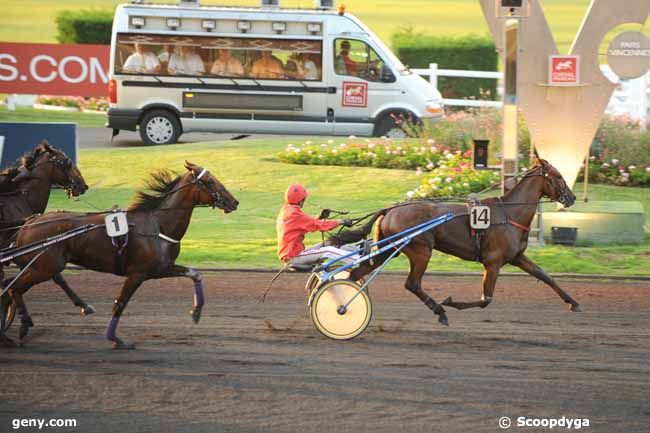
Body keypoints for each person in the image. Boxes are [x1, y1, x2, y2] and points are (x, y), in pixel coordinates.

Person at [276, 184, 355, 267]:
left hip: (293, 253)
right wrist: (341, 221)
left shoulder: (286, 210)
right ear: (301, 200)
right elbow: (318, 225)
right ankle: (357, 259)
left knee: (330, 243)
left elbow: (308, 223)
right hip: (293, 256)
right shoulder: (293, 214)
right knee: (328, 251)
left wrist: (320, 217)